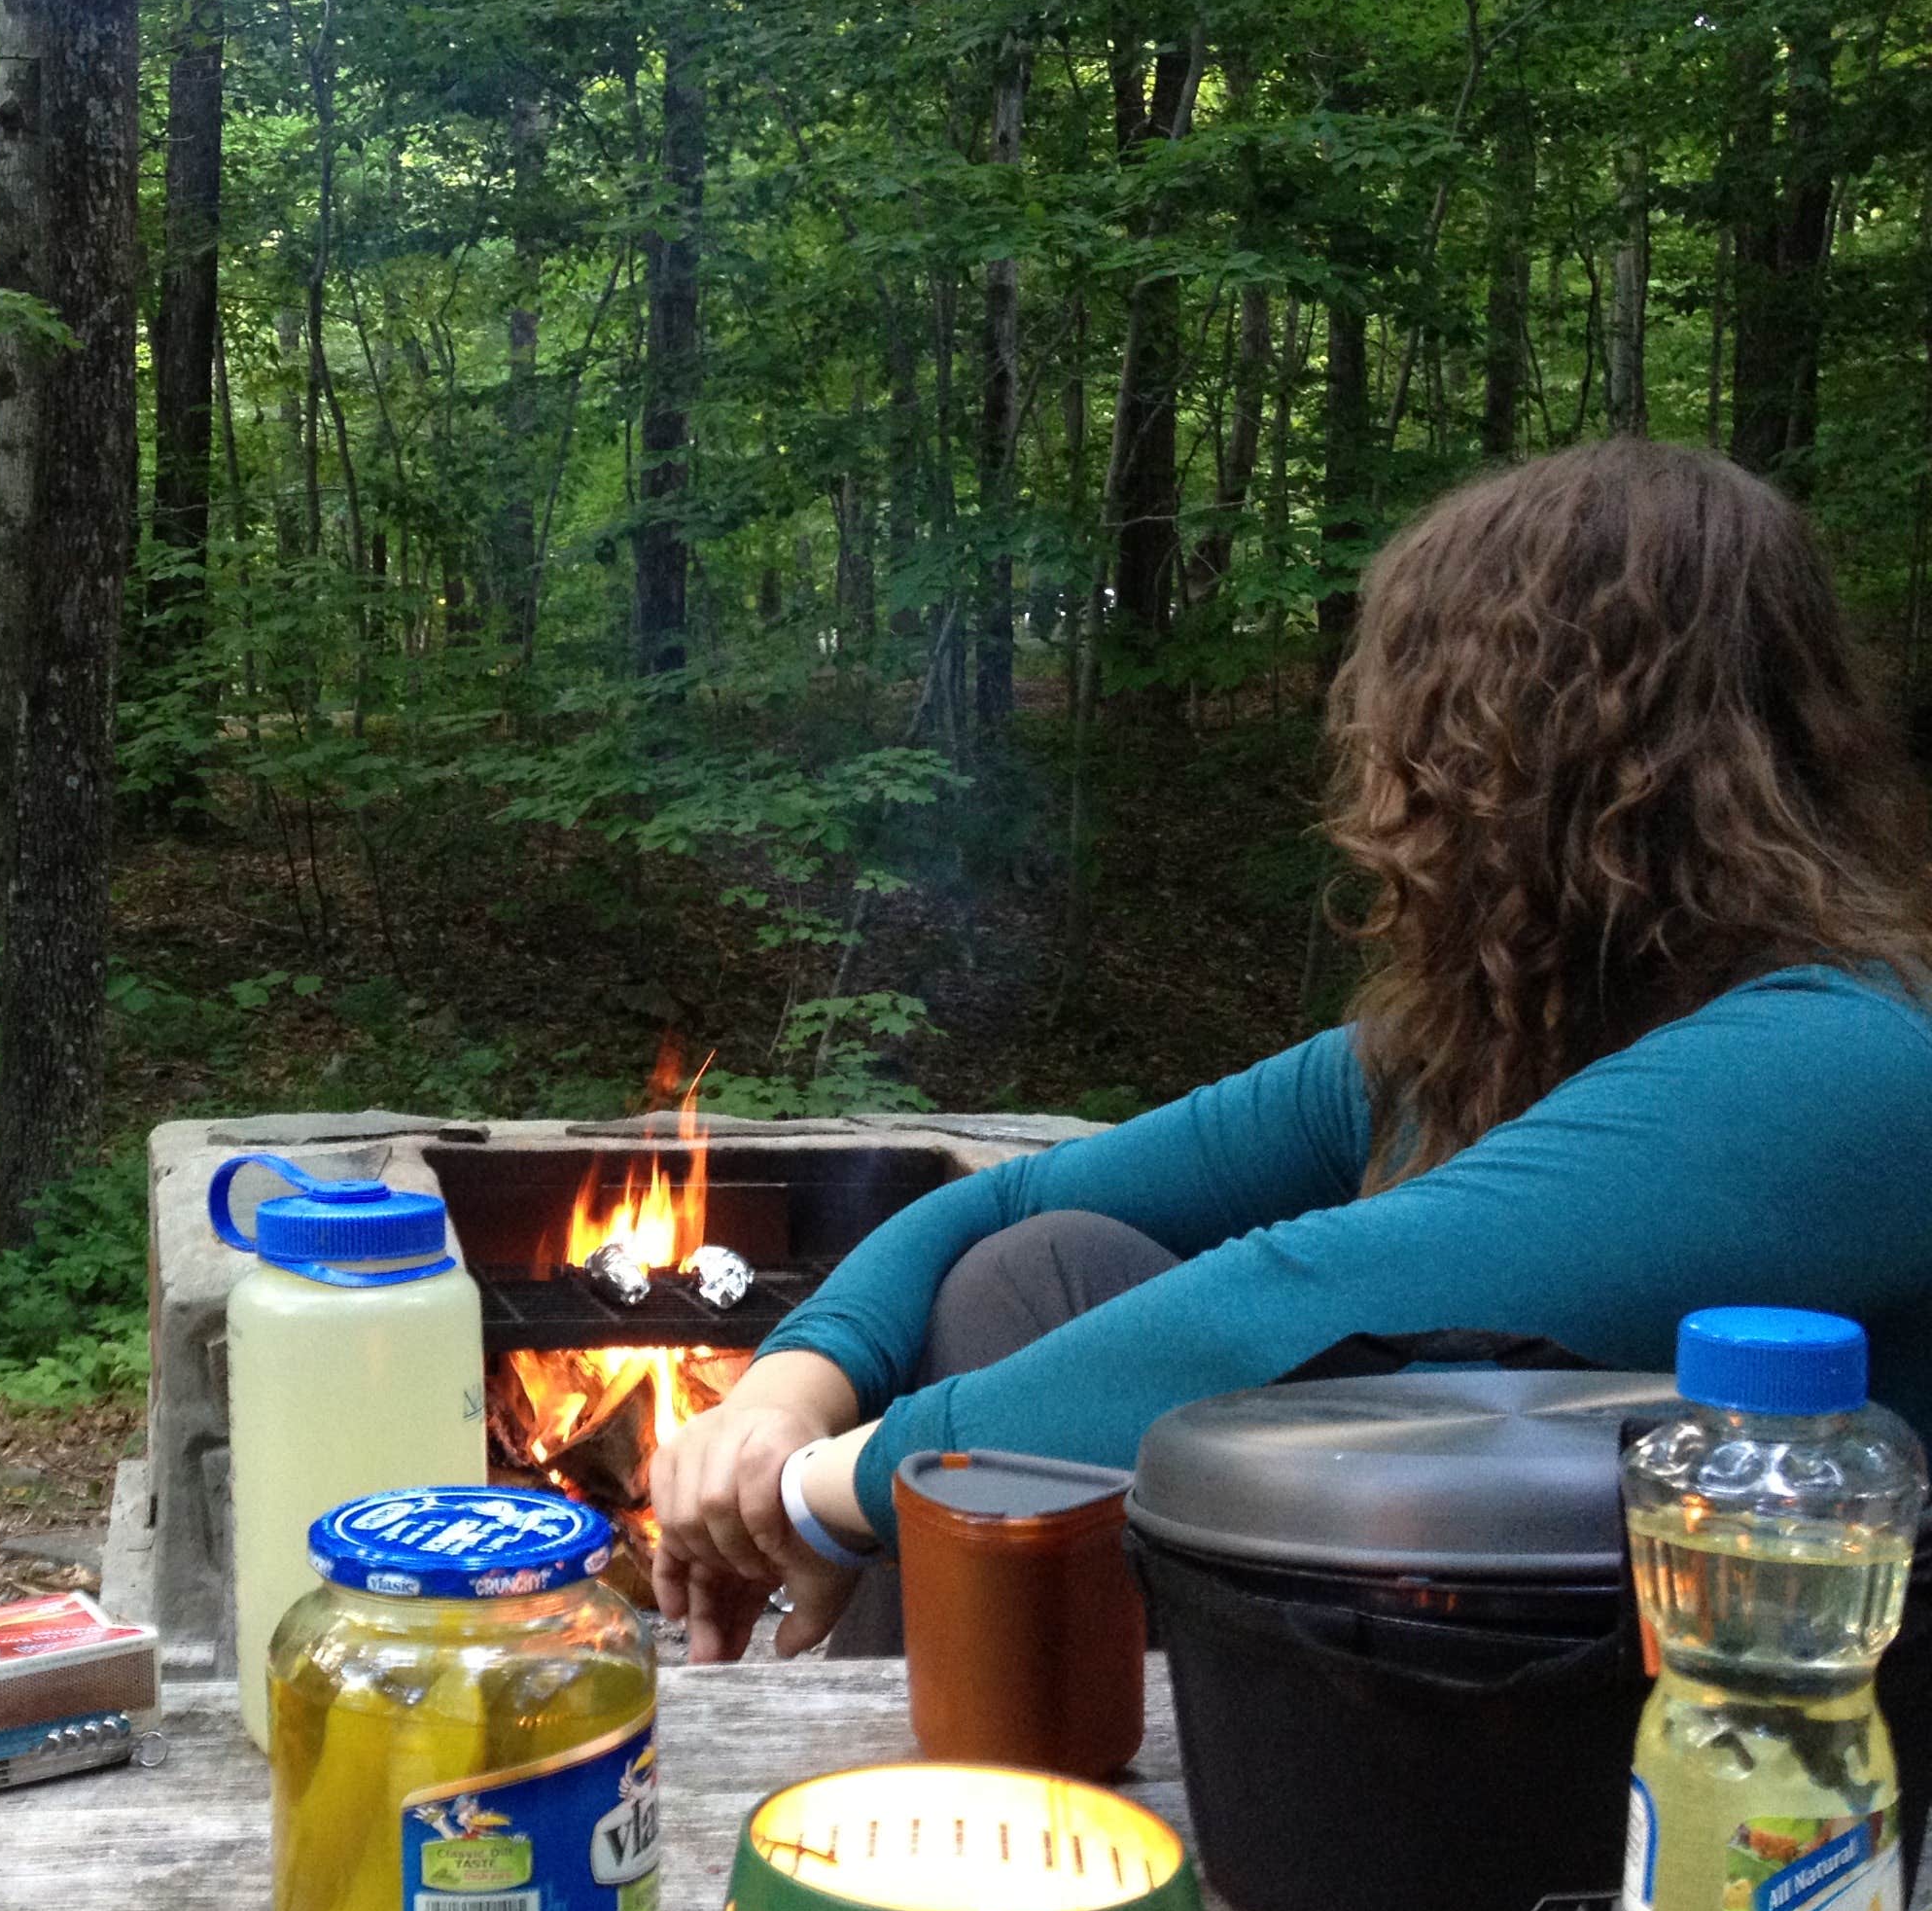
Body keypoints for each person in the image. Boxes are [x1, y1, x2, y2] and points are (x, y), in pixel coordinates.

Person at [651, 439, 1932, 1663]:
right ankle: (964, 1794)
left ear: (1525, 756)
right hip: (1425, 1675)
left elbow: (1294, 1305)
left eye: (1413, 721)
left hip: (1701, 1765)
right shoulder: (1453, 1053)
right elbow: (1014, 1194)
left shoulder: (1849, 1066)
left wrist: (822, 1491)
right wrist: (785, 1395)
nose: (1381, 777)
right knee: (1038, 1264)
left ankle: (953, 1808)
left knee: (1065, 1359)